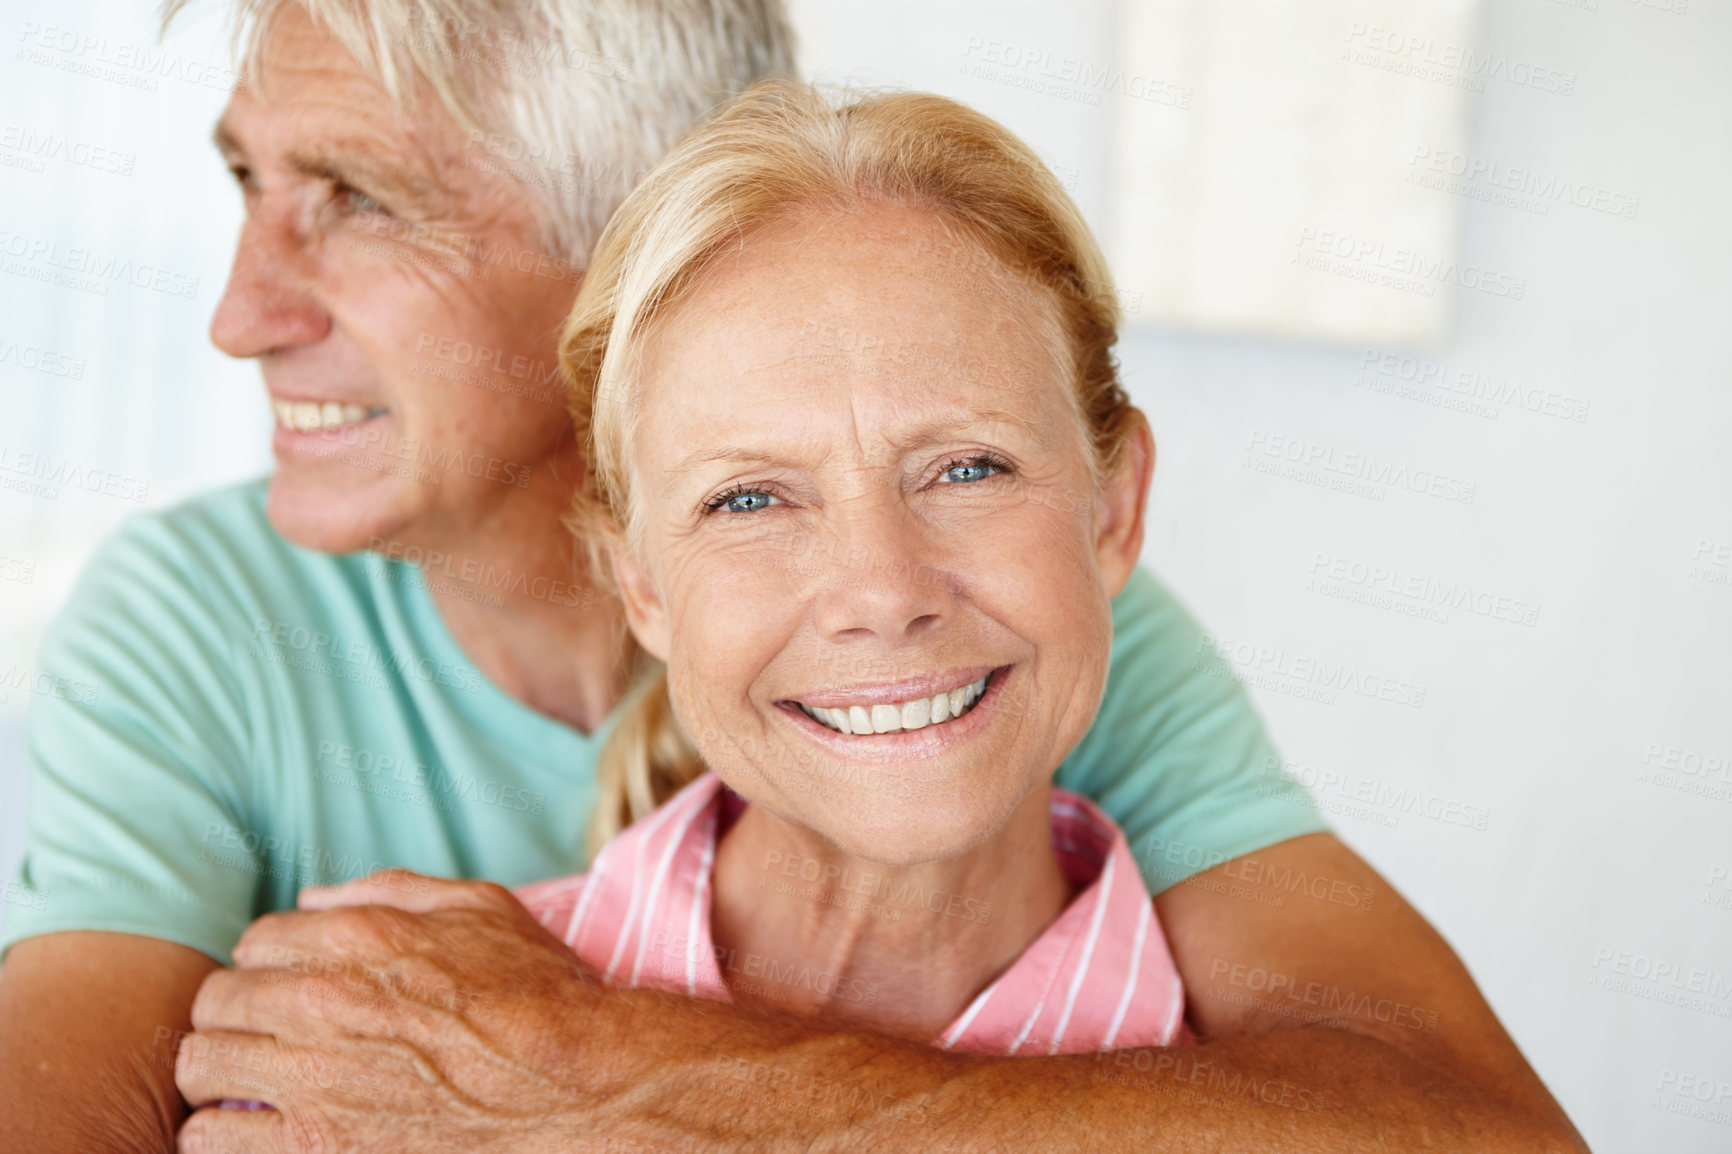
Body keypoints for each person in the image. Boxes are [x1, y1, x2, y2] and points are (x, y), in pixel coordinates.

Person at [0, 2, 1587, 1152]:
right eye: (751, 497)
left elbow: (1461, 1121)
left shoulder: (1047, 641)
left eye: (356, 198)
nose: (241, 310)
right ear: (638, 575)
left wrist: (593, 1069)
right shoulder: (195, 624)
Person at [515, 80, 1194, 1055]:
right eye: (747, 497)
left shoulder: (1323, 1103)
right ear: (642, 584)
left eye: (967, 467)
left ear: (1114, 507)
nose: (881, 591)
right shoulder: (376, 1064)